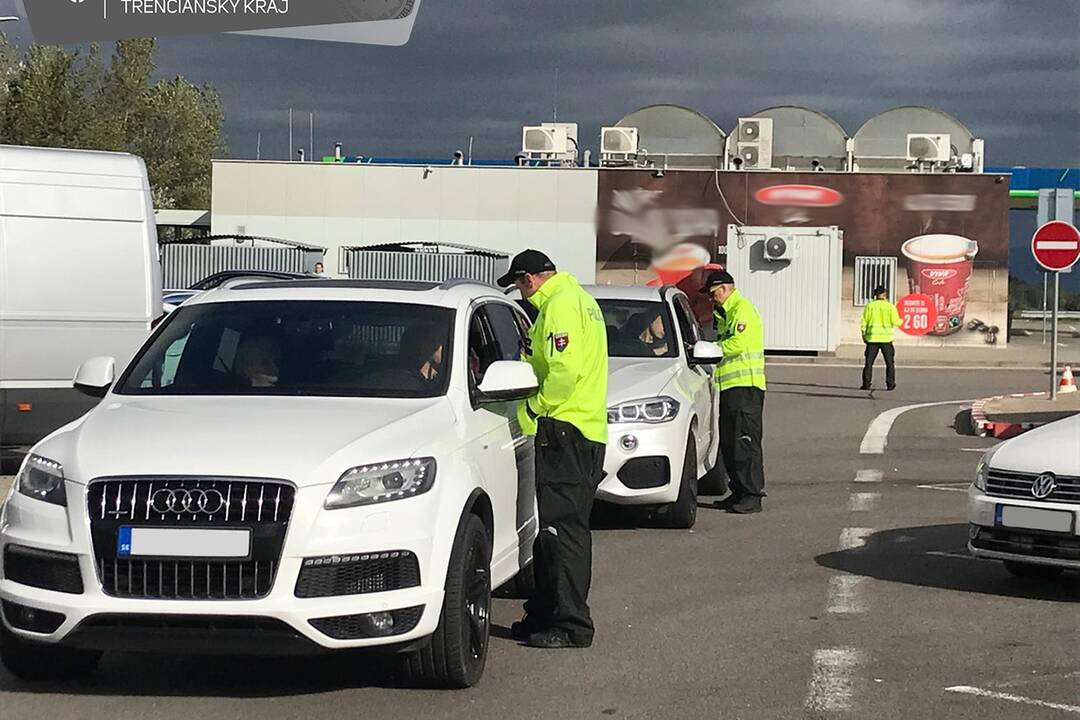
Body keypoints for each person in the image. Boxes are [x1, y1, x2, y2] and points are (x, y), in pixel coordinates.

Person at [498, 249, 608, 650]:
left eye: (520, 285)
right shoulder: (580, 301)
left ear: (530, 279)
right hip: (581, 429)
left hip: (566, 429)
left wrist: (533, 406)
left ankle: (571, 624)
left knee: (563, 533)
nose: (522, 294)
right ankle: (545, 612)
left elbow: (563, 372)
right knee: (552, 532)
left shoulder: (560, 307)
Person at [702, 270, 766, 514]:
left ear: (725, 288)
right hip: (729, 388)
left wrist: (712, 348)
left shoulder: (742, 309)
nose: (712, 299)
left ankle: (752, 494)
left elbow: (738, 343)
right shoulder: (726, 313)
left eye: (713, 294)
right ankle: (738, 490)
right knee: (729, 443)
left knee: (745, 442)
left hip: (745, 387)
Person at [860, 285, 902, 391]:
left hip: (872, 338)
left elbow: (864, 322)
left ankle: (866, 383)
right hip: (886, 339)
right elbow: (896, 322)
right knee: (889, 363)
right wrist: (903, 320)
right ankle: (890, 384)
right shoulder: (890, 307)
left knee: (869, 363)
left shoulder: (870, 306)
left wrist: (864, 335)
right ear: (884, 294)